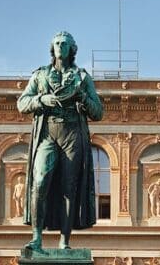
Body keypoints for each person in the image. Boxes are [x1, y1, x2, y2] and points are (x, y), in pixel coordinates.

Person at [18, 30, 105, 250]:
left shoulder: (82, 77)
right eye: (57, 43)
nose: (60, 46)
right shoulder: (40, 76)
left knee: (70, 187)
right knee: (40, 181)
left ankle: (64, 241)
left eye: (64, 43)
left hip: (72, 133)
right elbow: (22, 103)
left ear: (72, 49)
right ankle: (36, 238)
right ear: (52, 48)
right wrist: (41, 99)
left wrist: (82, 97)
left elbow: (97, 113)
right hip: (48, 133)